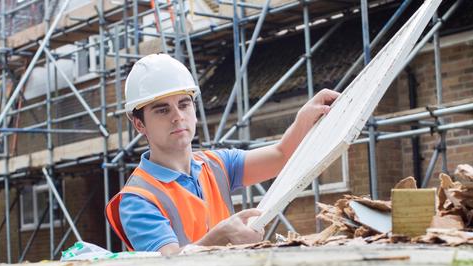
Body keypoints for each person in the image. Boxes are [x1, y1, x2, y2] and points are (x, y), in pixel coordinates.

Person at [105, 53, 339, 255]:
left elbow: (280, 155)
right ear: (139, 124)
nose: (177, 116)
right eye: (162, 110)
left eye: (184, 104)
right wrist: (219, 237)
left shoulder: (217, 164)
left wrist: (303, 119)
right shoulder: (138, 199)